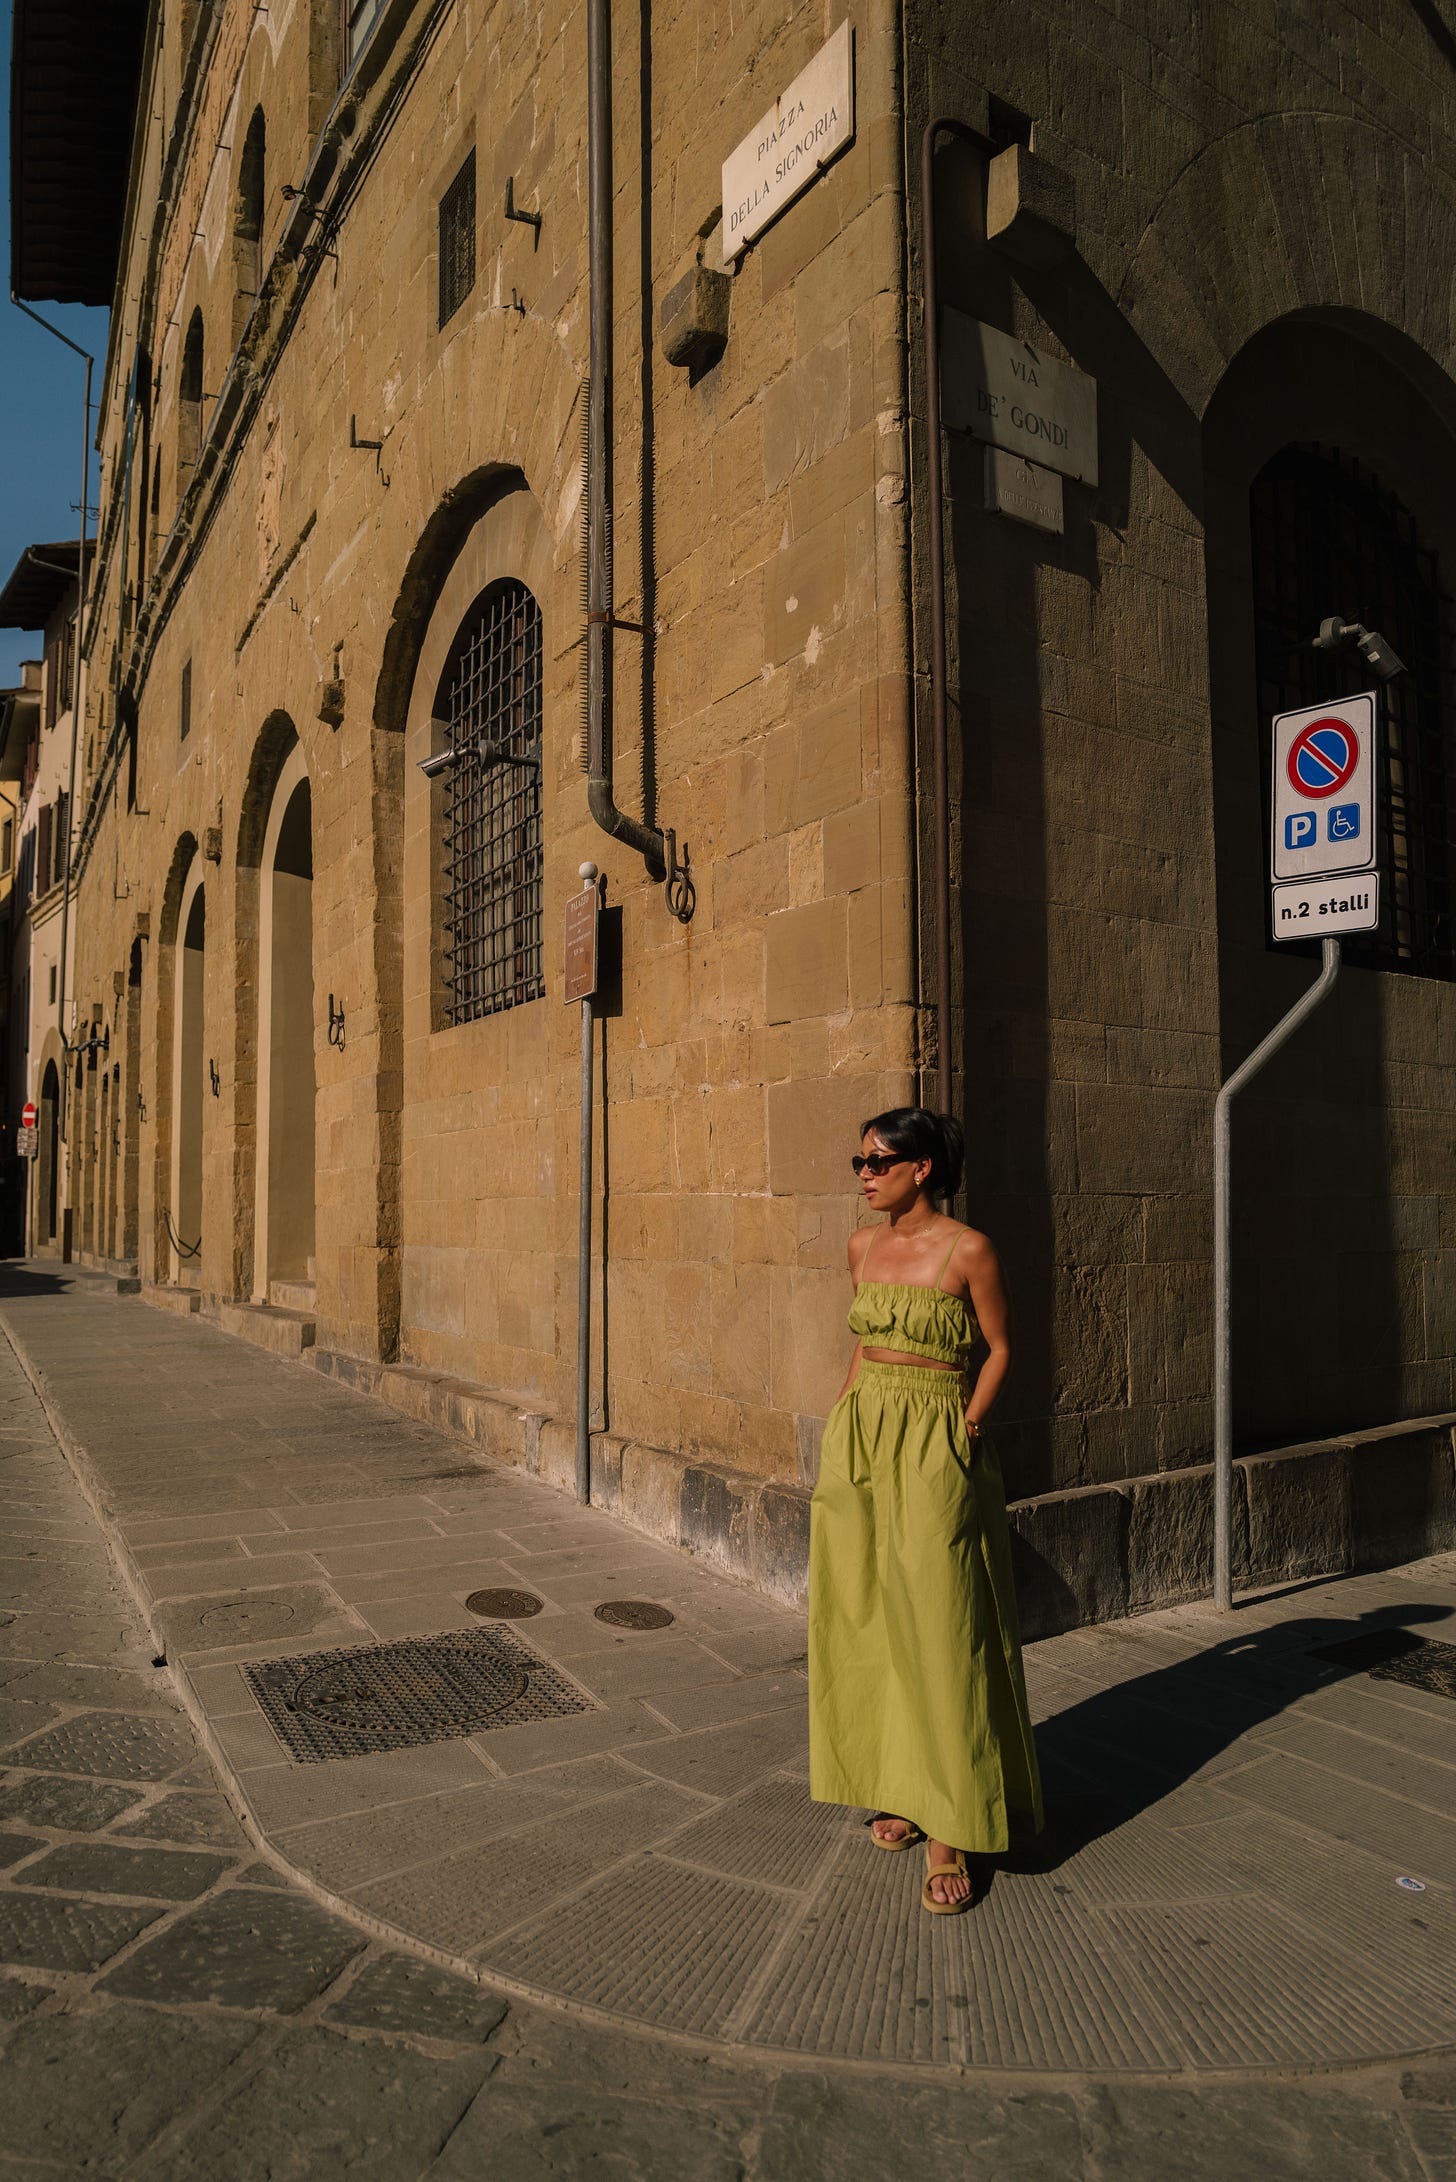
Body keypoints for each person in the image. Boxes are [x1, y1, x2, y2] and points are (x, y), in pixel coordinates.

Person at [808, 1106, 1043, 1912]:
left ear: (923, 1169)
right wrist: (837, 1443)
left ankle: (951, 1828)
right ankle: (901, 1787)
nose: (865, 1174)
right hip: (864, 1433)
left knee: (943, 1628)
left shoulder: (967, 1249)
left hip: (938, 1435)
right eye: (860, 1161)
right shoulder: (862, 1246)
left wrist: (969, 1426)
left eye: (879, 1161)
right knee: (871, 1619)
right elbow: (862, 1348)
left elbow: (1002, 1347)